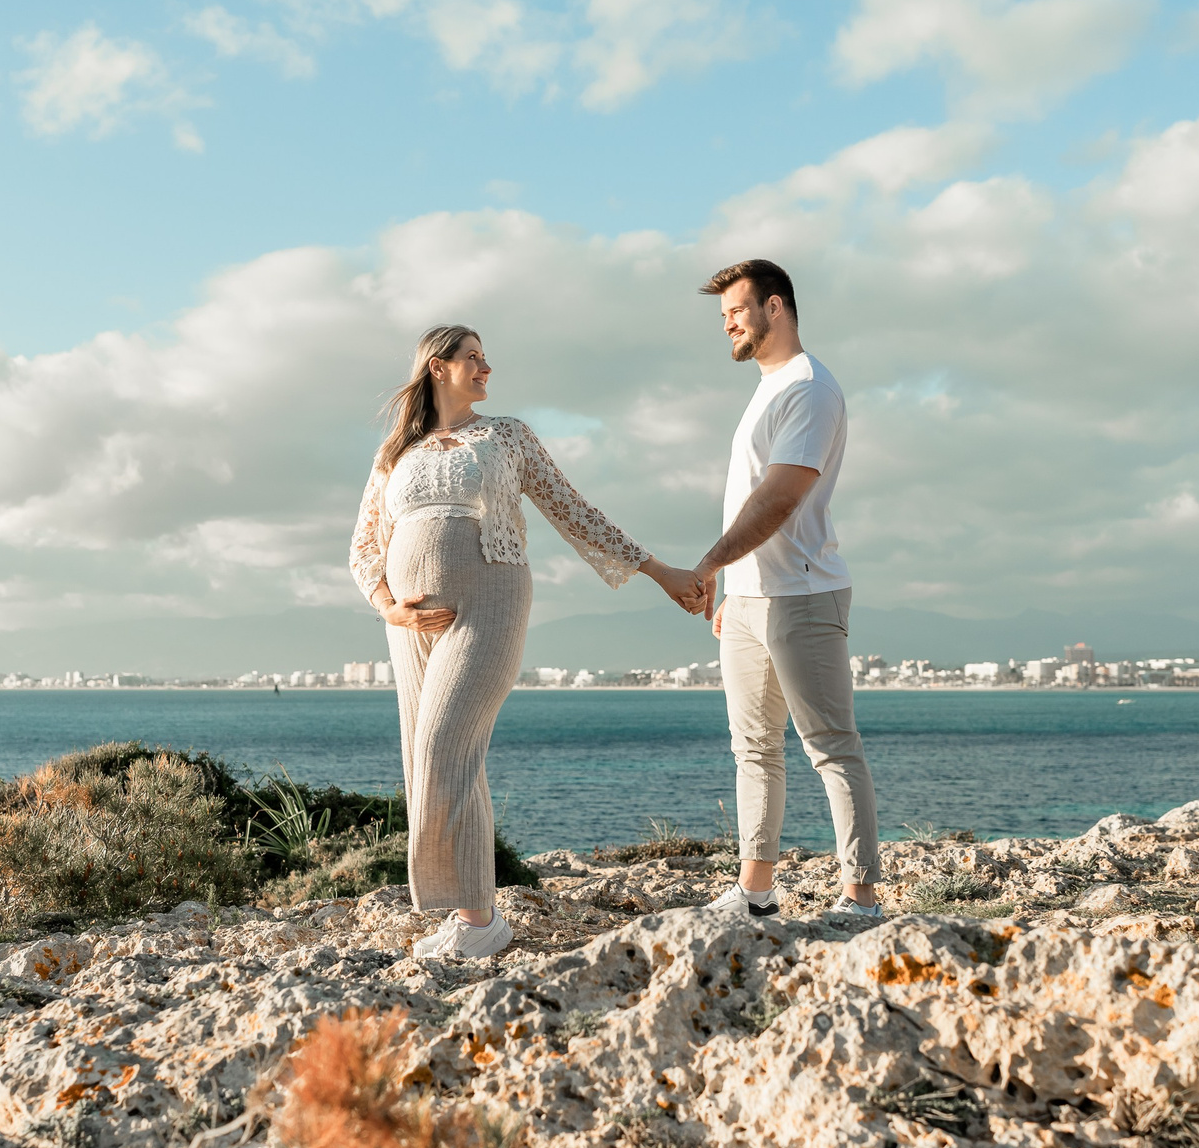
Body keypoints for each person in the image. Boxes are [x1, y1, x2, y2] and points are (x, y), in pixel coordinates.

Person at [350, 325, 707, 958]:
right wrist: (388, 608)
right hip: (408, 626)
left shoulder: (506, 436)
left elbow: (573, 509)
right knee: (430, 757)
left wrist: (657, 570)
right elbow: (363, 547)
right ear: (438, 367)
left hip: (490, 600)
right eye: (473, 359)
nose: (487, 369)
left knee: (443, 745)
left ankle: (478, 920)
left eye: (486, 359)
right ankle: (471, 914)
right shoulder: (394, 452)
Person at [681, 261, 882, 924]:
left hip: (802, 594)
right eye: (722, 317)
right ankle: (755, 893)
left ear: (775, 306)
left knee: (830, 746)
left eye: (737, 310)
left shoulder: (810, 388)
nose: (729, 324)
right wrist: (734, 586)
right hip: (749, 599)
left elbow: (779, 499)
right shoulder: (768, 388)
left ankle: (860, 898)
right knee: (755, 749)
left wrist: (710, 563)